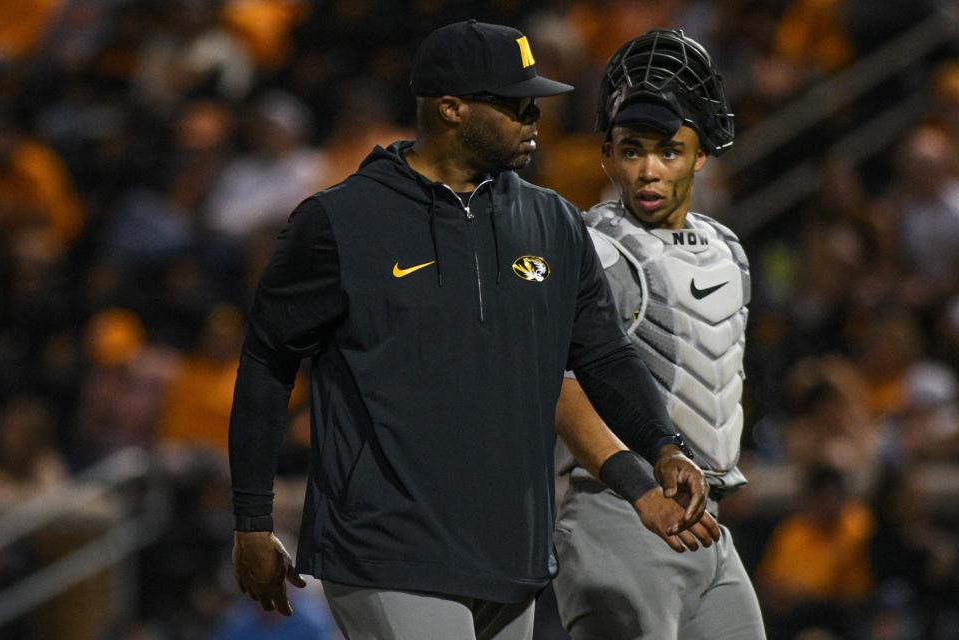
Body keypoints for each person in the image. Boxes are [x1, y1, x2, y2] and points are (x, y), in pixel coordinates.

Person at [228, 20, 716, 640]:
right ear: (451, 108)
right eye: (515, 104)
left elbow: (603, 355)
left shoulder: (553, 222)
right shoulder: (341, 221)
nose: (535, 116)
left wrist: (664, 444)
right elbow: (267, 365)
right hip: (387, 547)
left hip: (511, 555)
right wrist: (252, 520)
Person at [551, 29, 766, 639]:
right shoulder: (593, 248)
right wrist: (638, 485)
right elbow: (561, 387)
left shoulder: (728, 249)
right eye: (630, 149)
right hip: (618, 511)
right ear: (607, 156)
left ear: (701, 156)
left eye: (668, 150)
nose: (647, 169)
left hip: (708, 520)